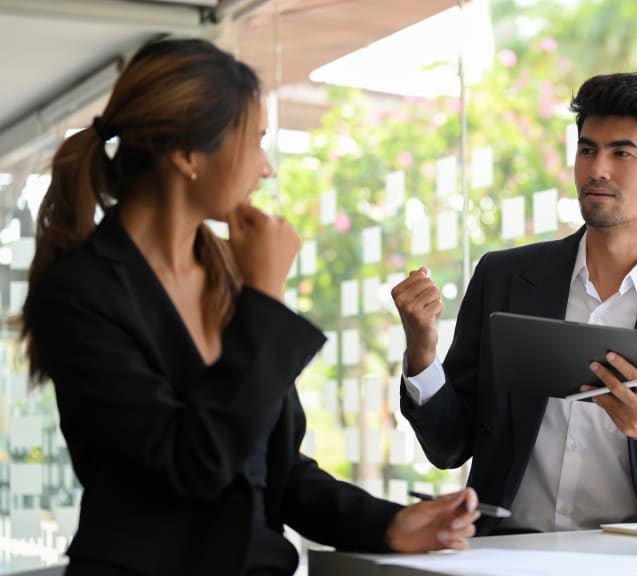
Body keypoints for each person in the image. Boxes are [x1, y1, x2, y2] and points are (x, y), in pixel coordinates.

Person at [20, 38, 478, 575]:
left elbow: (275, 470)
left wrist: (387, 522)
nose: (267, 169)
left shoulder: (227, 279)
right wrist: (264, 297)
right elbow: (194, 466)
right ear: (187, 154)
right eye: (255, 142)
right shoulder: (80, 295)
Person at [392, 72, 637, 535]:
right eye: (587, 149)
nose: (597, 170)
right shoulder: (503, 278)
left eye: (621, 153)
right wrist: (423, 355)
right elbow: (450, 446)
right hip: (506, 559)